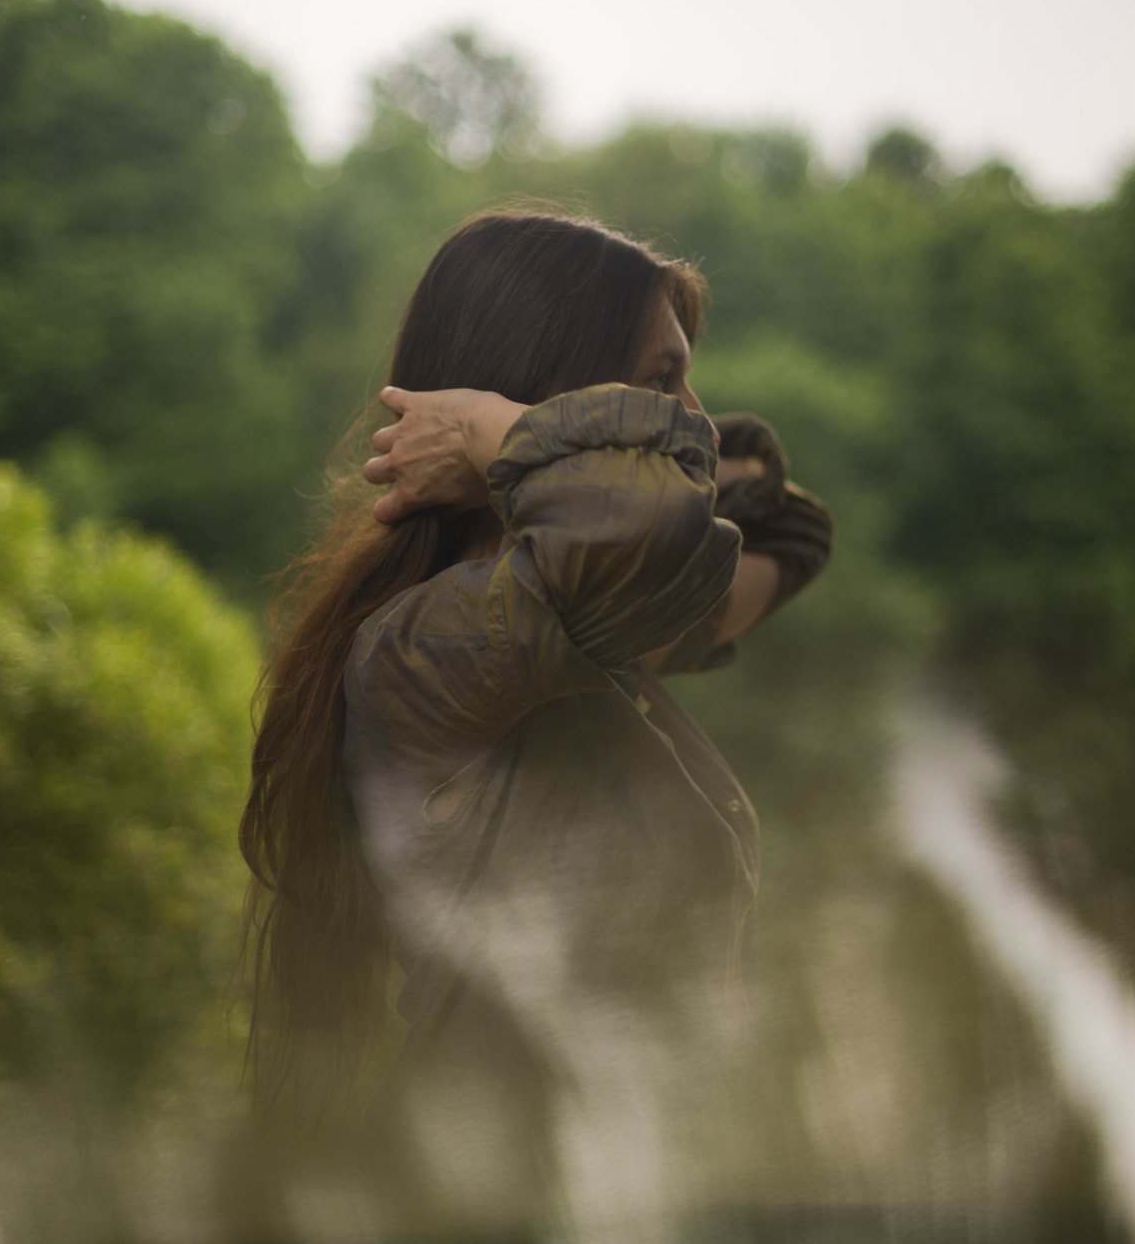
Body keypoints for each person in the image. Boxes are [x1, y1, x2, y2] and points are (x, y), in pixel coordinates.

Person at [239, 209, 832, 1233]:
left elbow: (785, 531)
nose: (688, 414)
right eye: (659, 382)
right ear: (542, 387)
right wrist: (488, 428)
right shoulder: (430, 652)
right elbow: (642, 529)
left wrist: (594, 443)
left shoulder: (593, 631)